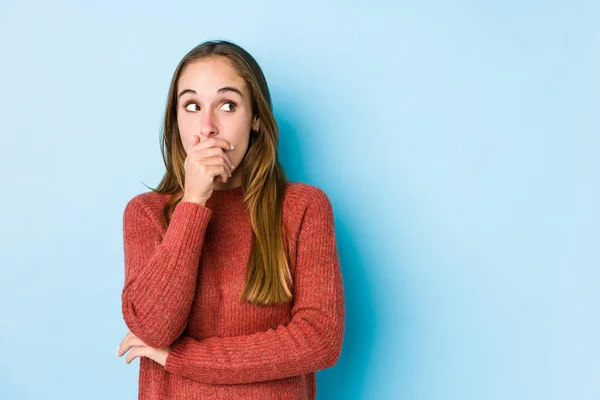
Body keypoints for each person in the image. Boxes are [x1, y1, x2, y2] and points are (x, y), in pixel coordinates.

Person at [116, 39, 345, 399]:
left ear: (255, 118)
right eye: (191, 106)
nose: (207, 127)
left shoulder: (303, 208)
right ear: (175, 120)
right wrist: (193, 202)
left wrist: (184, 359)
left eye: (227, 105)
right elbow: (154, 328)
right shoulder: (147, 213)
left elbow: (319, 340)